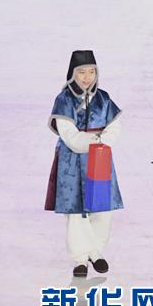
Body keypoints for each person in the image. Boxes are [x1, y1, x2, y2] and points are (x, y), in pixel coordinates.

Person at [45, 50, 123, 278]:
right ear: (72, 74)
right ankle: (80, 257)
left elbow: (115, 126)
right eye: (82, 72)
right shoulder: (63, 100)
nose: (87, 77)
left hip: (100, 158)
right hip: (72, 161)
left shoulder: (104, 98)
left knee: (102, 208)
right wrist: (93, 140)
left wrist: (103, 141)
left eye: (91, 72)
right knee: (77, 210)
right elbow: (68, 134)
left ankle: (95, 252)